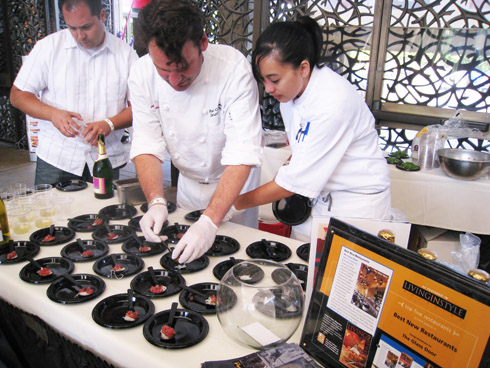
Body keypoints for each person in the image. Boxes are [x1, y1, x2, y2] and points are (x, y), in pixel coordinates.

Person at [234, 16, 392, 242]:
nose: (268, 89)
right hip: (318, 200)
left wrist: (232, 203)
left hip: (356, 207)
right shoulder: (290, 94)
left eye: (274, 79)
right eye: (264, 80)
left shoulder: (332, 103)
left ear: (304, 68)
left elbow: (289, 185)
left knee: (342, 273)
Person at [129, 0, 263, 263]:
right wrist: (156, 201)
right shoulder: (141, 74)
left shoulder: (233, 70)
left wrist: (210, 222)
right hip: (188, 186)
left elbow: (242, 151)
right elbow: (147, 142)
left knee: (237, 263)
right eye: (164, 71)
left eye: (182, 68)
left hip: (235, 187)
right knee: (186, 264)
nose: (175, 81)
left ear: (202, 42)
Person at [10, 0, 138, 185]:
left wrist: (110, 124)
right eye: (72, 28)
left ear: (102, 16)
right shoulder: (49, 48)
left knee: (102, 213)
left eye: (86, 27)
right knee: (51, 213)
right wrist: (52, 114)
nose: (80, 36)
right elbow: (18, 94)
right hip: (57, 157)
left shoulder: (126, 55)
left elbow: (140, 107)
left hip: (105, 158)